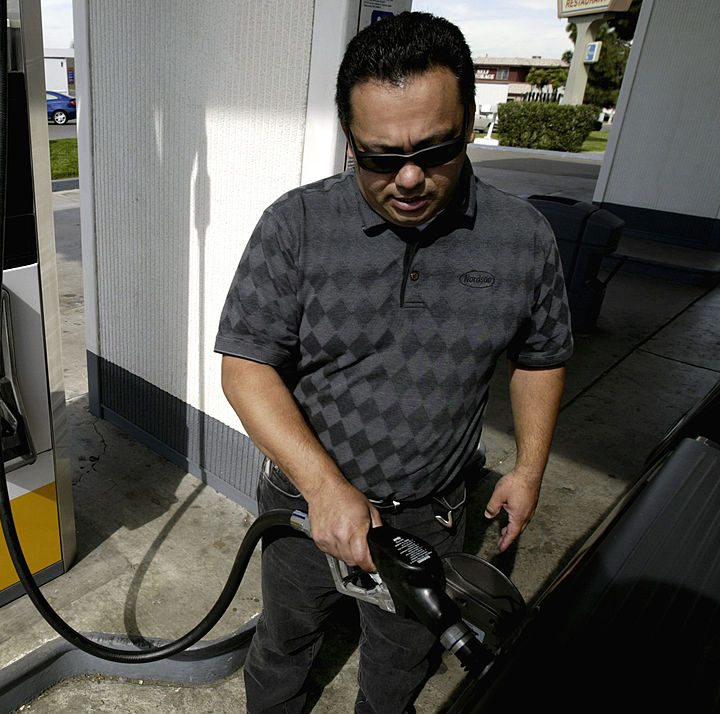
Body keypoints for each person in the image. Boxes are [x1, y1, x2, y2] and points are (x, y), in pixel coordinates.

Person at [214, 12, 572, 714]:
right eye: (380, 156)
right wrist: (322, 487)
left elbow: (542, 355)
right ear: (350, 142)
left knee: (401, 665)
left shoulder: (523, 239)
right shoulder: (297, 226)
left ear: (469, 122)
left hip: (427, 519)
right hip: (301, 509)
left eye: (434, 150)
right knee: (285, 644)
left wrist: (528, 469)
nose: (409, 178)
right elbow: (245, 366)